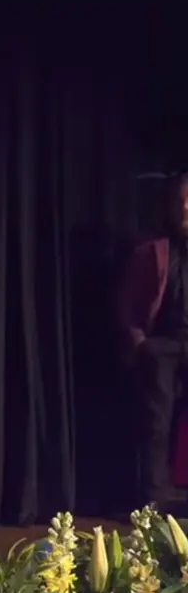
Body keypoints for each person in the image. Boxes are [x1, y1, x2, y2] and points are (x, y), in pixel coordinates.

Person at [118, 173, 188, 512]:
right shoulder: (154, 250)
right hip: (163, 345)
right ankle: (154, 501)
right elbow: (128, 300)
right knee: (157, 423)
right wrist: (140, 342)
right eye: (181, 201)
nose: (186, 207)